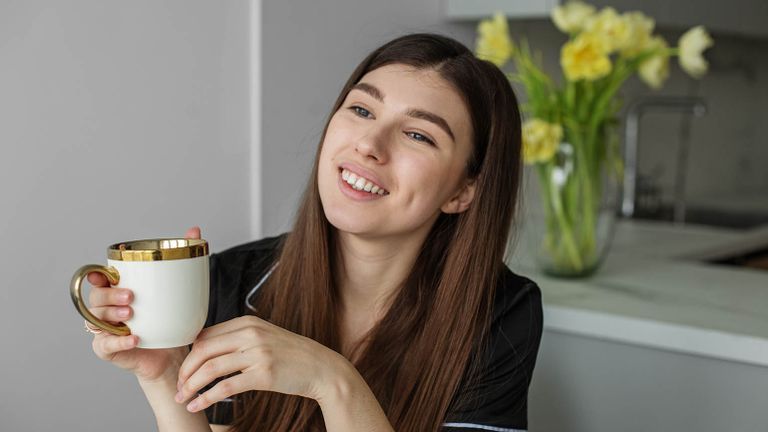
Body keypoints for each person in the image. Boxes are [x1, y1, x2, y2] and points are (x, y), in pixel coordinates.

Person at [84, 33, 543, 432]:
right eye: (362, 109)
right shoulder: (233, 279)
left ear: (464, 190)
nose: (368, 144)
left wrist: (331, 380)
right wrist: (162, 376)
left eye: (419, 135)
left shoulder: (501, 313)